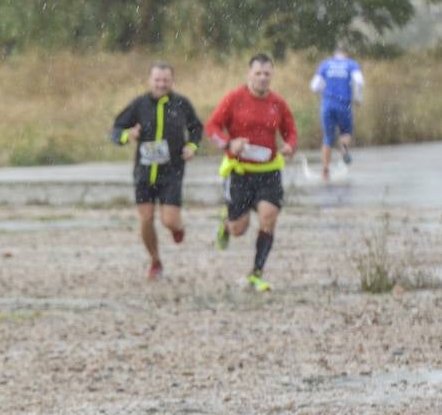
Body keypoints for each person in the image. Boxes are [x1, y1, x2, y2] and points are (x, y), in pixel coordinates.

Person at [205, 54, 297, 292]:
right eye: (258, 73)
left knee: (269, 216)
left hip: (269, 171)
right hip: (240, 171)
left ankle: (256, 273)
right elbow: (212, 127)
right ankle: (226, 224)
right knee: (240, 228)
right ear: (249, 74)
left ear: (272, 76)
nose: (263, 78)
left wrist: (290, 146)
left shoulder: (278, 103)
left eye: (267, 73)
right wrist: (228, 143)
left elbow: (291, 131)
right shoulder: (235, 99)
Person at [109, 62, 203, 280]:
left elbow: (196, 128)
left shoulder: (181, 103)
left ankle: (177, 228)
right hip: (144, 172)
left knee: (168, 220)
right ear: (150, 80)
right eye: (157, 80)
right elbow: (116, 130)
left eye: (165, 80)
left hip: (172, 171)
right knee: (146, 219)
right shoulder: (139, 104)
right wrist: (127, 135)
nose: (161, 84)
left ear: (172, 81)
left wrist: (192, 146)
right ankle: (155, 261)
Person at [310, 42, 364, 181]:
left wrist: (326, 93)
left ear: (335, 54)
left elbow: (314, 86)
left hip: (327, 104)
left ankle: (325, 171)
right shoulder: (351, 64)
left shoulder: (326, 64)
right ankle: (344, 149)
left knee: (328, 138)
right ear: (346, 54)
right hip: (344, 104)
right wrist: (358, 98)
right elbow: (359, 81)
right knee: (346, 132)